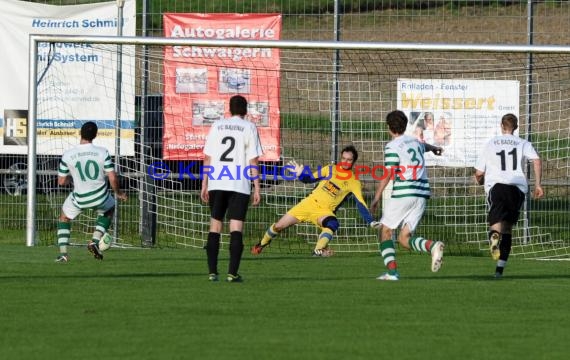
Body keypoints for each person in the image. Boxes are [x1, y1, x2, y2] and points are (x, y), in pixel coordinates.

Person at [251, 145, 380, 257]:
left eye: (349, 160)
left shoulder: (354, 182)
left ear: (353, 162)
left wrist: (371, 221)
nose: (345, 162)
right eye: (343, 159)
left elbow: (360, 203)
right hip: (308, 204)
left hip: (324, 211)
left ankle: (318, 250)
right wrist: (300, 174)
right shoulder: (330, 168)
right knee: (279, 226)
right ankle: (261, 244)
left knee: (333, 223)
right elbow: (309, 179)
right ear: (341, 158)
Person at [370, 110, 444, 281]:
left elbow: (388, 173)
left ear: (388, 127)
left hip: (405, 192)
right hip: (422, 194)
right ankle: (432, 246)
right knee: (404, 239)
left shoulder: (392, 146)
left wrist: (376, 197)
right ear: (405, 125)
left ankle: (392, 273)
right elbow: (423, 146)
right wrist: (433, 148)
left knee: (386, 230)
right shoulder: (415, 141)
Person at [201, 95, 263, 282]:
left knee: (215, 225)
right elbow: (253, 160)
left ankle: (212, 272)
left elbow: (207, 157)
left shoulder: (217, 126)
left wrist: (204, 183)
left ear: (229, 109)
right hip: (239, 182)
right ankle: (232, 273)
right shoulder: (249, 127)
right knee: (236, 227)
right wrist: (257, 187)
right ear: (245, 110)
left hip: (217, 180)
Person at [474, 113, 544, 278]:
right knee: (507, 228)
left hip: (497, 187)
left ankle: (493, 241)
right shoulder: (522, 143)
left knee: (495, 224)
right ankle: (499, 270)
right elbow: (537, 160)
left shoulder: (491, 143)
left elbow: (478, 173)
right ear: (516, 127)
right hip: (516, 189)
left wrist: (479, 180)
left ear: (501, 126)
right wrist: (538, 184)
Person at [55, 121, 127, 262]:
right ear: (95, 135)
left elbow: (61, 182)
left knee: (64, 217)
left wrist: (72, 178)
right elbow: (112, 177)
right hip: (100, 196)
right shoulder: (102, 152)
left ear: (80, 133)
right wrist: (118, 192)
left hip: (80, 198)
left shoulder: (68, 155)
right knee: (110, 208)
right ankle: (95, 239)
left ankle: (63, 253)